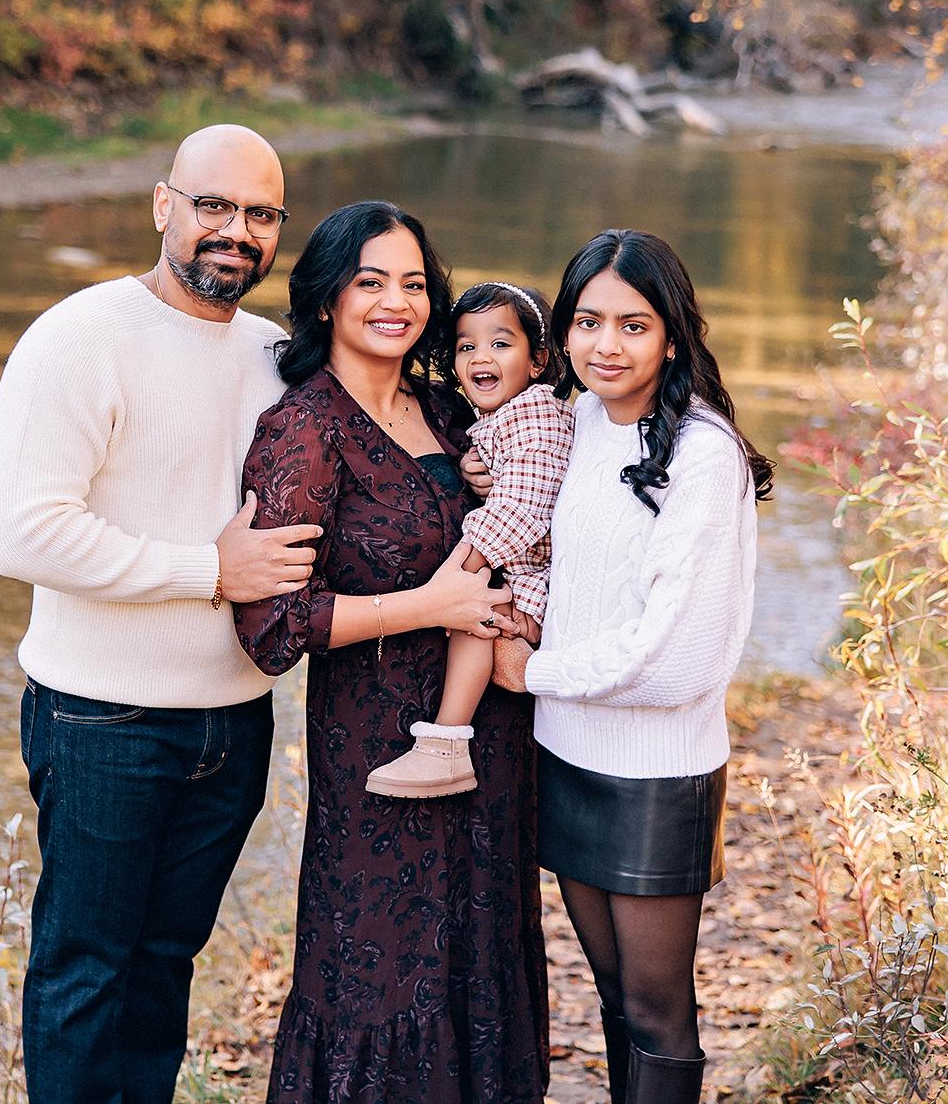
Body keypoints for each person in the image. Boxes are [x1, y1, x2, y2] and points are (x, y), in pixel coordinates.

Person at [0, 124, 324, 1104]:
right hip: (102, 719)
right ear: (162, 204)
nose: (235, 230)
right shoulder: (78, 339)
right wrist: (206, 569)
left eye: (259, 214)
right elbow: (23, 535)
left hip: (232, 722)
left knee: (163, 964)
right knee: (84, 972)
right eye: (213, 205)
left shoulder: (276, 355)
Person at [233, 201, 551, 1102]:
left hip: (491, 738)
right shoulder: (303, 429)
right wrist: (429, 603)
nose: (396, 301)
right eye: (371, 281)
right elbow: (273, 626)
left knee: (482, 953)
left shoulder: (455, 410)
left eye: (414, 283)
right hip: (376, 754)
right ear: (328, 297)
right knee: (383, 973)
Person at [489, 229, 771, 1104]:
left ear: (673, 335)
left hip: (656, 774)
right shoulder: (568, 422)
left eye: (633, 325)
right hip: (566, 752)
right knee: (610, 995)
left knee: (657, 1011)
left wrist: (530, 672)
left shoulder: (701, 452)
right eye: (587, 322)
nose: (606, 346)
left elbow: (675, 657)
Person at [366, 280, 574, 798]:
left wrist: (460, 571)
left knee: (472, 618)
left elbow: (521, 508)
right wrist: (471, 464)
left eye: (501, 343)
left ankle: (446, 746)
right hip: (529, 573)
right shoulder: (503, 416)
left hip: (538, 582)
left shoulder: (537, 412)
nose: (482, 356)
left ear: (539, 360)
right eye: (467, 346)